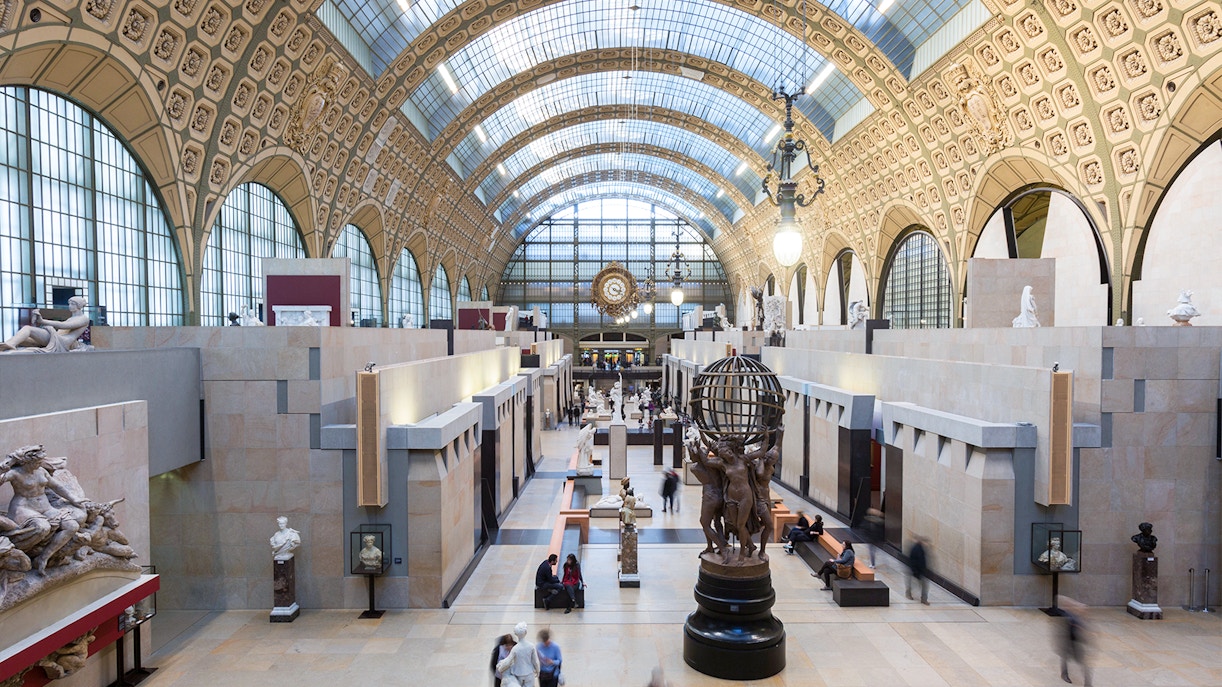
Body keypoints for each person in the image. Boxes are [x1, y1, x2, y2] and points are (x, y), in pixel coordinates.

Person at [0, 296, 91, 353]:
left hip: (61, 341)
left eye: (73, 304)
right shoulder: (71, 318)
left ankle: (10, 344)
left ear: (79, 306)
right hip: (55, 337)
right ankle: (7, 347)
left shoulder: (83, 319)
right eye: (69, 304)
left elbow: (63, 325)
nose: (70, 306)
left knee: (28, 329)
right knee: (24, 340)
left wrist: (43, 321)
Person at [495, 622, 538, 687]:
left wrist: (501, 668)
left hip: (518, 673)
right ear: (525, 632)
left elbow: (508, 661)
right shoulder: (531, 646)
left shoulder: (515, 648)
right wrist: (538, 670)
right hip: (529, 672)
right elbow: (535, 661)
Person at [1059, 605, 1092, 685]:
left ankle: (1087, 682)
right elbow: (1065, 632)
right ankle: (1064, 674)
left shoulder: (1081, 620)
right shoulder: (1070, 618)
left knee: (1083, 662)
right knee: (1065, 658)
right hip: (1069, 643)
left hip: (1077, 644)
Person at [906, 536, 929, 604]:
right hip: (917, 571)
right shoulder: (916, 549)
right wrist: (915, 571)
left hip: (919, 571)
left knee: (922, 585)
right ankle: (909, 593)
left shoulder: (921, 549)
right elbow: (914, 561)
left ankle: (923, 598)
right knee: (919, 584)